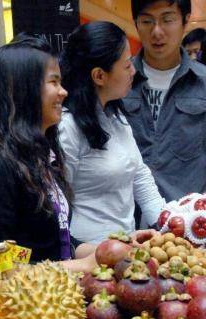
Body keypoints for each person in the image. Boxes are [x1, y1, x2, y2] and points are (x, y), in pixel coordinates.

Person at [0, 34, 96, 272]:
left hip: (53, 301)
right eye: (54, 82)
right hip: (17, 307)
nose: (63, 92)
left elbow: (52, 244)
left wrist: (104, 251)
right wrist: (80, 266)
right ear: (24, 89)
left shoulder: (43, 156)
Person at [58, 21, 165, 245]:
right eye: (127, 65)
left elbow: (140, 175)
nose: (134, 71)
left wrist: (165, 225)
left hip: (127, 245)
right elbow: (57, 203)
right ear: (99, 76)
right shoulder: (67, 127)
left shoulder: (115, 115)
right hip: (90, 253)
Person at [124, 0, 206, 201]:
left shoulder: (203, 82)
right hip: (125, 218)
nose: (157, 32)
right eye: (147, 21)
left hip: (185, 219)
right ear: (136, 23)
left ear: (185, 21)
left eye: (167, 20)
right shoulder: (117, 80)